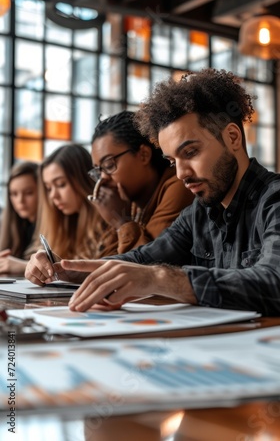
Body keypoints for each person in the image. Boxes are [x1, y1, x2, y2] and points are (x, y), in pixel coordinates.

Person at [25, 68, 280, 316]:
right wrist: (65, 269)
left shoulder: (274, 199)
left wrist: (159, 278)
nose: (181, 173)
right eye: (172, 161)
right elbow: (140, 260)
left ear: (233, 138)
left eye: (190, 152)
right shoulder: (198, 214)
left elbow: (274, 283)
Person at [82, 110, 193, 253]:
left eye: (109, 165)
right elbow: (104, 262)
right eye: (98, 170)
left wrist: (121, 222)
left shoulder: (179, 187)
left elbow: (149, 265)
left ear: (143, 155)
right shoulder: (130, 200)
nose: (103, 178)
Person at [32, 144, 117, 260]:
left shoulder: (111, 226)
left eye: (61, 184)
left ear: (83, 181)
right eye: (49, 188)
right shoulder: (64, 227)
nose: (53, 196)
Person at [0, 161, 38, 274]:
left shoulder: (54, 228)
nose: (20, 201)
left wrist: (22, 266)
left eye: (28, 193)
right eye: (14, 194)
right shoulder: (9, 226)